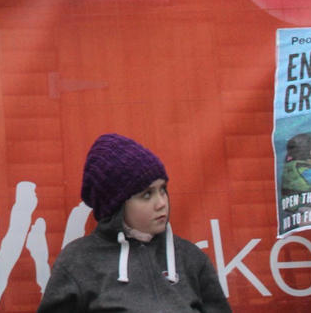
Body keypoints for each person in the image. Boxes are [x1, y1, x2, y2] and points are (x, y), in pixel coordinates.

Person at [37, 133, 230, 312]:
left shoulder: (191, 259)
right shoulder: (77, 262)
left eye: (162, 189)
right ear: (117, 204)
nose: (162, 203)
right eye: (146, 195)